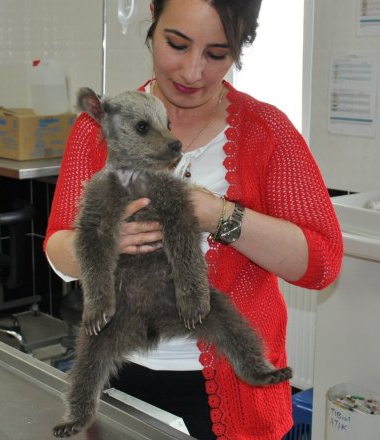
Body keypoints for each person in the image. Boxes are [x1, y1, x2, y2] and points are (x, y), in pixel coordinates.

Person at [44, 0, 343, 438]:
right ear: (152, 20)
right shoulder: (100, 127)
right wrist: (104, 241)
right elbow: (57, 245)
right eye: (177, 44)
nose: (191, 72)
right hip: (120, 374)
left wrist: (219, 215)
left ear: (239, 48)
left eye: (216, 54)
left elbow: (321, 263)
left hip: (226, 388)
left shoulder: (268, 132)